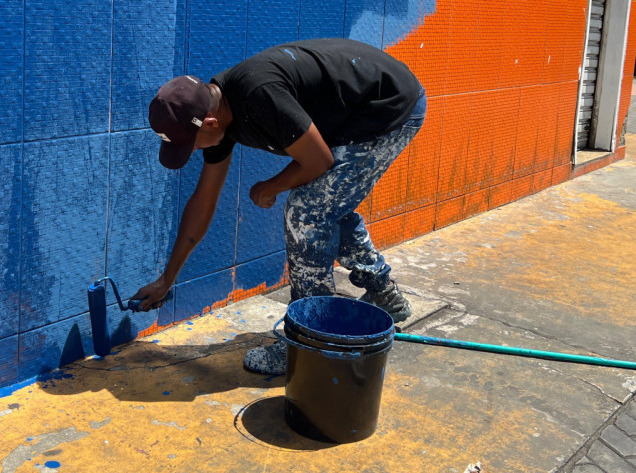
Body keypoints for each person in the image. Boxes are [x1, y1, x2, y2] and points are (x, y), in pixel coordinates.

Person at [131, 38, 426, 375]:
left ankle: (312, 343)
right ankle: (384, 294)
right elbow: (204, 200)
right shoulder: (216, 110)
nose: (194, 152)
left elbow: (317, 159)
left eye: (190, 146)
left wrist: (271, 186)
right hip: (355, 114)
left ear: (209, 124)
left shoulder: (258, 96)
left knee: (307, 213)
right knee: (328, 207)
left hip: (388, 109)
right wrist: (168, 278)